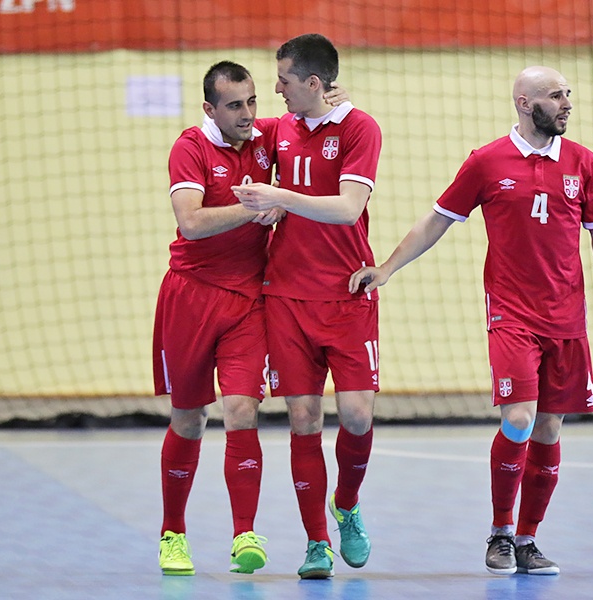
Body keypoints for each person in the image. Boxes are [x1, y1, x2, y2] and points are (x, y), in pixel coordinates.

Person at [349, 66, 593, 576]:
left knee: (548, 427)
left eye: (568, 94)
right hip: (511, 314)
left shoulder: (583, 163)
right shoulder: (487, 161)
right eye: (554, 95)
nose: (566, 103)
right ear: (524, 103)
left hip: (566, 317)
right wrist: (386, 268)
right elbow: (438, 219)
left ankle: (528, 540)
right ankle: (499, 532)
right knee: (519, 418)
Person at [153, 60, 346, 577]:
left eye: (254, 101)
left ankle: (245, 533)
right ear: (210, 108)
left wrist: (326, 97)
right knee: (189, 418)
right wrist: (258, 207)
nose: (248, 114)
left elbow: (312, 115)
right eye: (235, 105)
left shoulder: (267, 136)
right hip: (190, 298)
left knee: (242, 410)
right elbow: (190, 223)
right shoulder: (190, 147)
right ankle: (173, 533)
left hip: (248, 303)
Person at [231, 33, 382, 579]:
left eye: (284, 82)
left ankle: (346, 503)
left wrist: (278, 198)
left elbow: (346, 209)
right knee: (302, 418)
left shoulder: (360, 127)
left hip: (347, 293)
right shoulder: (277, 130)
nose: (274, 92)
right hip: (287, 298)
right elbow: (228, 128)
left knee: (359, 416)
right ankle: (316, 542)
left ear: (314, 83)